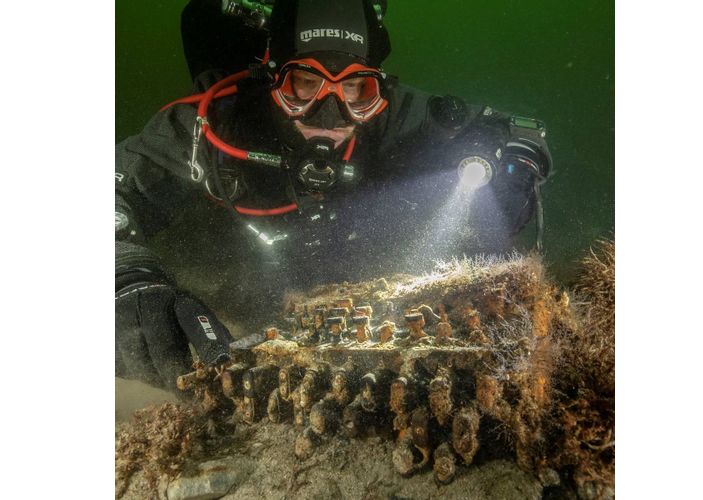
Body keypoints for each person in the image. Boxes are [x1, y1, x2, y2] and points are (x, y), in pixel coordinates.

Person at [115, 0, 552, 392]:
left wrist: (516, 167)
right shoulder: (210, 127)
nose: (330, 114)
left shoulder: (395, 114)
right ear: (270, 79)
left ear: (377, 91)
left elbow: (515, 128)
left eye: (354, 89)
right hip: (237, 275)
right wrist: (125, 277)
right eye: (305, 84)